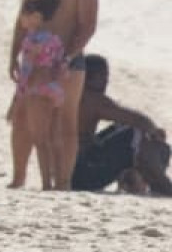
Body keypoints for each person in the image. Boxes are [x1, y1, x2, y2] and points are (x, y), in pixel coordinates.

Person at [13, 0, 98, 191]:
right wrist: (12, 55)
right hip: (33, 63)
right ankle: (18, 178)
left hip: (68, 63)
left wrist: (66, 57)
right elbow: (20, 23)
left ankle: (63, 182)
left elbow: (87, 27)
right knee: (23, 118)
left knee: (64, 122)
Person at [73, 56, 172, 195]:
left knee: (122, 129)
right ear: (90, 77)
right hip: (84, 174)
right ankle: (161, 184)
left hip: (70, 172)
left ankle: (135, 180)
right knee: (135, 133)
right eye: (103, 76)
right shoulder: (92, 99)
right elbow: (136, 119)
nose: (106, 81)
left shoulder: (70, 96)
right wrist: (154, 131)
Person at [8, 0, 68, 190]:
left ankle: (45, 184)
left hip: (36, 90)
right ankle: (48, 181)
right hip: (52, 90)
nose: (21, 18)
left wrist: (17, 99)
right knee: (47, 137)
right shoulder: (54, 39)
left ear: (36, 17)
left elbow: (27, 70)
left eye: (25, 14)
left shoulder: (33, 40)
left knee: (39, 138)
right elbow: (62, 66)